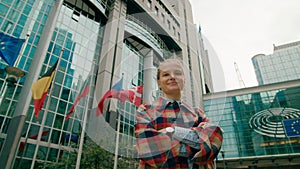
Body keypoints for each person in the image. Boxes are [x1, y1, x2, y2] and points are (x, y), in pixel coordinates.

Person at [135, 59, 223, 169]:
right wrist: (197, 144)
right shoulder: (146, 110)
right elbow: (148, 149)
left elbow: (214, 141)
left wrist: (172, 131)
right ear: (158, 83)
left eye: (177, 73)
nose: (172, 76)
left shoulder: (198, 113)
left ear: (184, 80)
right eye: (166, 74)